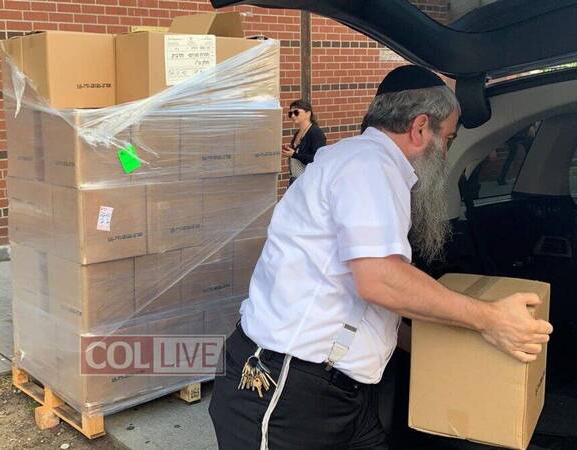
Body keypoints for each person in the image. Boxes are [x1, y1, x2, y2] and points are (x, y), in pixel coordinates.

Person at [208, 65, 553, 450]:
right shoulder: (369, 166)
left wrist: (447, 344)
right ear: (420, 128)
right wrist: (491, 319)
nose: (446, 152)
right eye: (449, 139)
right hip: (286, 389)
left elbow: (367, 302)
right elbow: (380, 280)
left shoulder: (365, 164)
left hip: (339, 393)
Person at [281, 99, 326, 184]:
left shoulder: (315, 133)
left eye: (296, 112)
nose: (293, 116)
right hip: (295, 179)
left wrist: (294, 154)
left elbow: (317, 158)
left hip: (308, 181)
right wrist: (289, 150)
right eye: (290, 113)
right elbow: (299, 153)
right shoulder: (298, 133)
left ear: (308, 113)